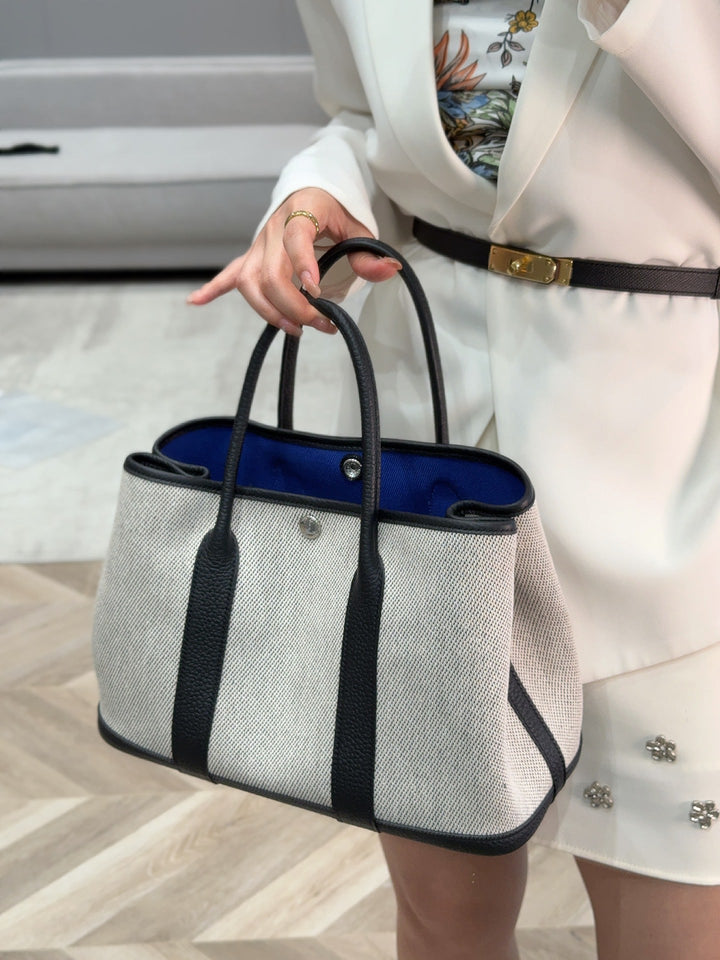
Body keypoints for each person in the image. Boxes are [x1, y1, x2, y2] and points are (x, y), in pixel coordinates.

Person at [186, 1, 720, 957]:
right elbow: (361, 116)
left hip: (673, 466)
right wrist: (314, 194)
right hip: (425, 453)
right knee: (444, 921)